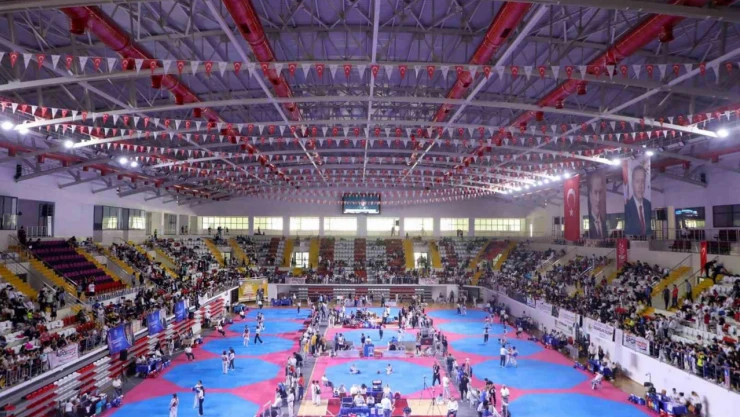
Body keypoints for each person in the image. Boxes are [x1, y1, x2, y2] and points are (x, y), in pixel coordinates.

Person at [624, 164, 652, 236]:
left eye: (642, 181)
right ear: (632, 184)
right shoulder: (627, 207)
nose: (640, 186)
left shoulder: (648, 205)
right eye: (637, 181)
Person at [588, 171, 608, 239]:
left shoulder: (604, 222)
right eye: (595, 192)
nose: (598, 199)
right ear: (590, 195)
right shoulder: (590, 222)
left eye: (600, 192)